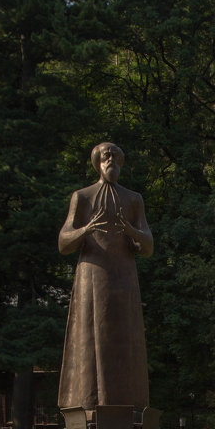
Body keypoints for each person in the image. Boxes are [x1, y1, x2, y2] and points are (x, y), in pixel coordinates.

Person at [57, 142, 154, 411]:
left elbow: (148, 246)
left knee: (127, 340)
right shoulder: (83, 197)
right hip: (92, 276)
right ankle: (89, 405)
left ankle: (129, 409)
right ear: (97, 162)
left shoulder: (134, 199)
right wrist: (86, 229)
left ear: (121, 163)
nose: (110, 159)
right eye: (105, 156)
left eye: (115, 156)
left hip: (124, 278)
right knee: (89, 337)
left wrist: (132, 232)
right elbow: (63, 243)